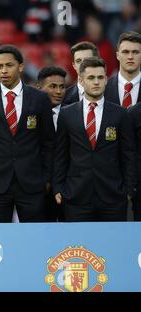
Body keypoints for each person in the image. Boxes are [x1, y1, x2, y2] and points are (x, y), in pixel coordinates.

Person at [0, 45, 55, 223]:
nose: (3, 70)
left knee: (35, 238)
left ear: (20, 66)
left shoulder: (40, 99)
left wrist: (46, 179)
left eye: (9, 65)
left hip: (32, 183)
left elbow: (48, 142)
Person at [53, 57, 136, 222]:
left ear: (106, 80)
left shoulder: (121, 114)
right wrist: (58, 187)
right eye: (91, 78)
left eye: (100, 77)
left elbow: (128, 154)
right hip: (76, 195)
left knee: (112, 246)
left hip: (113, 196)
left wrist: (128, 190)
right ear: (81, 80)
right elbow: (60, 155)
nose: (96, 82)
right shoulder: (67, 114)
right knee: (77, 246)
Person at [36, 66, 67, 221]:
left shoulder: (72, 115)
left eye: (62, 87)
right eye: (52, 86)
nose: (58, 91)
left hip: (67, 187)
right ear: (39, 87)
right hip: (37, 186)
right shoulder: (30, 114)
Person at [104, 31, 141, 108]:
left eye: (135, 52)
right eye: (125, 52)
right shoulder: (103, 88)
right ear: (117, 55)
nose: (130, 57)